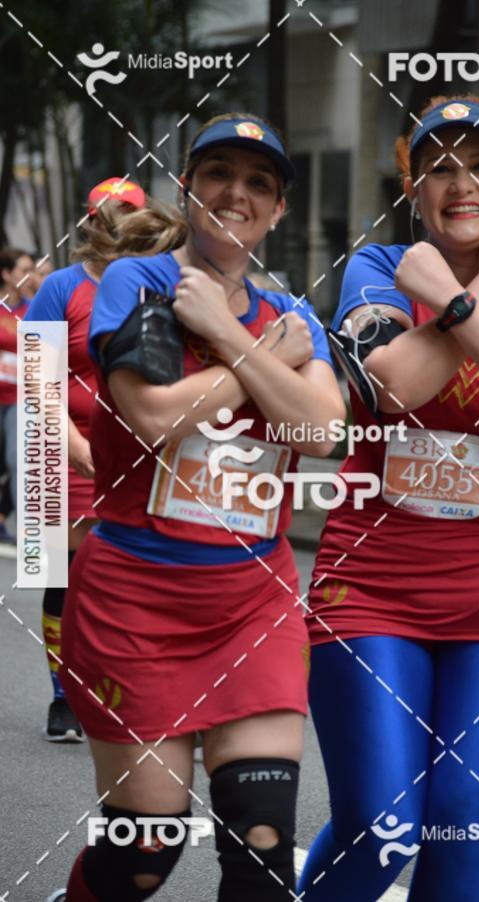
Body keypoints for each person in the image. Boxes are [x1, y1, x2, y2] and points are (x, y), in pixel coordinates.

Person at [298, 95, 479, 902]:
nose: (460, 183)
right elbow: (389, 389)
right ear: (411, 186)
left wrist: (470, 294)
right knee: (386, 825)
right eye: (437, 167)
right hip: (371, 589)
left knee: (462, 829)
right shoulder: (375, 269)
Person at [47, 113, 344, 902]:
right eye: (218, 175)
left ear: (278, 209)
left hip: (255, 605)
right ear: (189, 187)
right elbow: (151, 418)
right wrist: (262, 358)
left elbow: (321, 430)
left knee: (262, 844)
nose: (235, 194)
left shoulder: (294, 315)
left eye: (258, 184)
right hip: (137, 600)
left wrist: (226, 335)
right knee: (144, 855)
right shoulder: (138, 282)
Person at [25, 177, 159, 742]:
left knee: (132, 578)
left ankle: (126, 691)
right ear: (91, 222)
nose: (116, 223)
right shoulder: (61, 286)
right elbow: (37, 371)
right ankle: (65, 698)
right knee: (63, 577)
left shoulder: (157, 286)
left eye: (127, 213)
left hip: (137, 452)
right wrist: (70, 443)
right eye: (107, 214)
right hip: (62, 451)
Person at [0, 248, 34, 535]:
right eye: (23, 271)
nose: (29, 276)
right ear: (7, 274)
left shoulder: (33, 308)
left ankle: (25, 529)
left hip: (19, 399)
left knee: (17, 459)